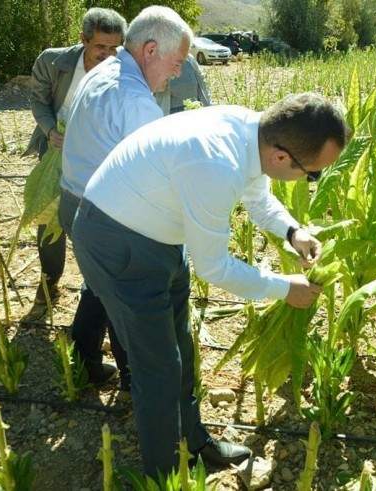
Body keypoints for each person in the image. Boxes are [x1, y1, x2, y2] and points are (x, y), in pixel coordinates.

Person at [70, 92, 351, 477]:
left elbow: (258, 197)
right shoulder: (216, 162)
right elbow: (214, 267)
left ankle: (193, 442)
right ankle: (165, 477)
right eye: (313, 173)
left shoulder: (254, 134)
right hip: (117, 242)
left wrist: (293, 231)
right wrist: (285, 288)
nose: (312, 180)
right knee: (158, 370)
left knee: (181, 350)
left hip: (159, 235)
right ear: (282, 157)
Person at [60, 5, 192, 387]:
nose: (179, 71)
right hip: (105, 215)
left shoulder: (105, 68)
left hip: (75, 198)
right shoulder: (135, 100)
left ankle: (83, 358)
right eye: (177, 61)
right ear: (150, 50)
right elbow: (157, 178)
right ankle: (133, 374)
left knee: (99, 285)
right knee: (128, 289)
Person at [22, 7, 126, 323]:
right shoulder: (53, 62)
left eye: (114, 48)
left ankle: (93, 290)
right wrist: (50, 130)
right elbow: (38, 101)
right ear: (82, 40)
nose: (108, 56)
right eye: (100, 48)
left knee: (94, 222)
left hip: (100, 155)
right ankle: (49, 281)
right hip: (56, 149)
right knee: (47, 215)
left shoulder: (124, 67)